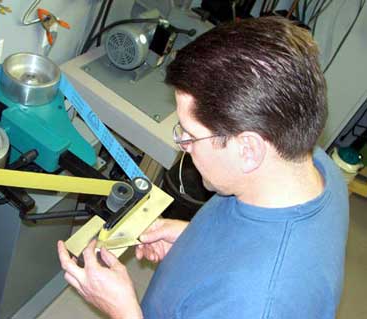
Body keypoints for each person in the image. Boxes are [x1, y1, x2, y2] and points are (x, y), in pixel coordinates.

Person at [58, 16, 349, 318]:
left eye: (191, 135)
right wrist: (192, 239)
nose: (182, 143)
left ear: (248, 150)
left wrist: (122, 311)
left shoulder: (259, 304)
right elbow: (253, 237)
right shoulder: (312, 164)